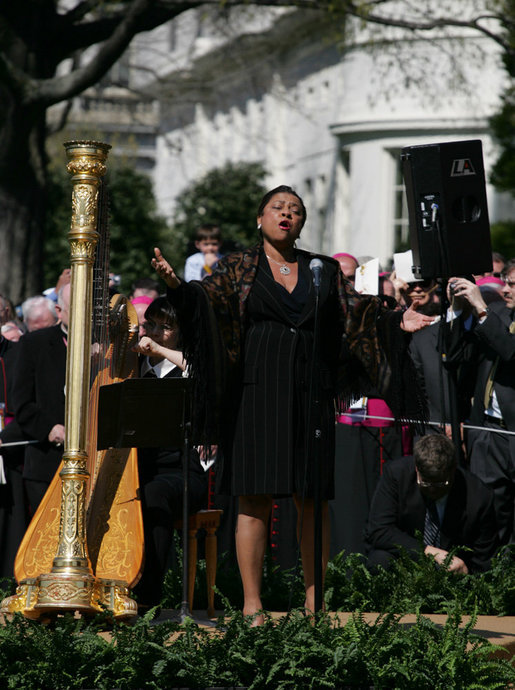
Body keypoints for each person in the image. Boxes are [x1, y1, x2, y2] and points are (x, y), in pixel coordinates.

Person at [151, 185, 431, 623]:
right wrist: (174, 284)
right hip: (255, 394)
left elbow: (355, 312)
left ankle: (314, 602)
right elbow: (204, 302)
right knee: (255, 499)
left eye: (295, 211)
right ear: (259, 219)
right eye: (278, 208)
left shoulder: (320, 270)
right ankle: (251, 603)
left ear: (302, 223)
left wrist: (396, 321)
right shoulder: (239, 266)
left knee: (312, 499)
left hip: (309, 394)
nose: (287, 215)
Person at [131, 297, 208, 607]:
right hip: (139, 469)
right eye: (151, 326)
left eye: (166, 328)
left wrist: (159, 350)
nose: (156, 333)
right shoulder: (132, 366)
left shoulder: (187, 364)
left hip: (182, 473)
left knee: (152, 495)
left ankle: (148, 598)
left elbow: (202, 371)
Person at [449, 262, 515, 544]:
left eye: (512, 284)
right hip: (488, 431)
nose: (505, 288)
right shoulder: (498, 312)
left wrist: (482, 309)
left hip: (513, 430)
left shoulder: (491, 313)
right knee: (488, 512)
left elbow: (510, 350)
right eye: (505, 281)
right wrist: (458, 307)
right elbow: (459, 352)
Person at [365, 434, 498, 574]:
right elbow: (379, 530)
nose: (433, 489)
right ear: (416, 469)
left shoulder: (479, 496)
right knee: (380, 560)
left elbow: (485, 558)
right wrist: (428, 552)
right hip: (408, 559)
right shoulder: (396, 476)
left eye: (440, 483)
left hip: (454, 571)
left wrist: (466, 572)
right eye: (426, 482)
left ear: (453, 470)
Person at [12, 284, 70, 513]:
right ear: (59, 310)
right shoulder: (34, 344)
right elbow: (22, 402)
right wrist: (49, 428)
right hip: (46, 461)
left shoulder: (103, 344)